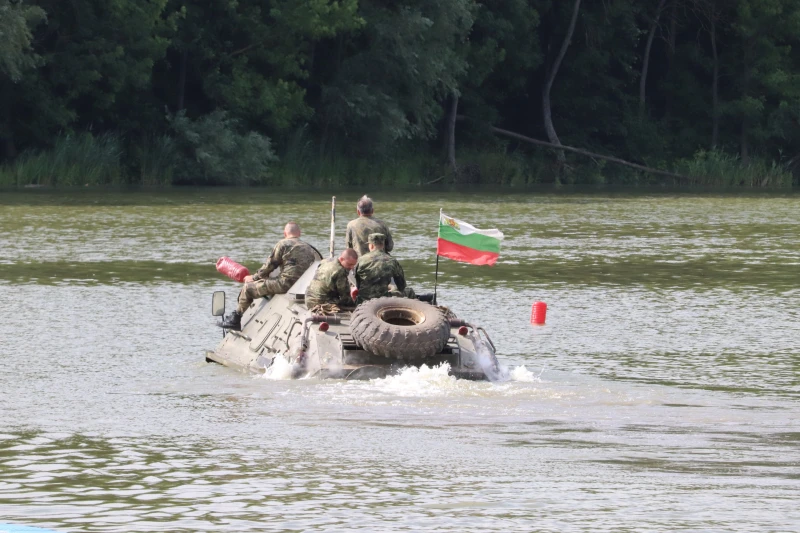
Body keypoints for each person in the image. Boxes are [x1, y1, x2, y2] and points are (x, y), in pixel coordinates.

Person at [222, 222, 316, 330]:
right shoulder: (309, 248)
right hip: (303, 287)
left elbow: (269, 266)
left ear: (285, 233)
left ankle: (235, 319)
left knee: (248, 289)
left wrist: (253, 278)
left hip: (285, 284)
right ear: (299, 233)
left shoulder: (283, 244)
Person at [353, 233, 407, 304]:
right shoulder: (392, 261)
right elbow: (401, 285)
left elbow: (357, 284)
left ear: (371, 246)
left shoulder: (360, 260)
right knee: (409, 291)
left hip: (363, 300)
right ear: (383, 245)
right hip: (384, 300)